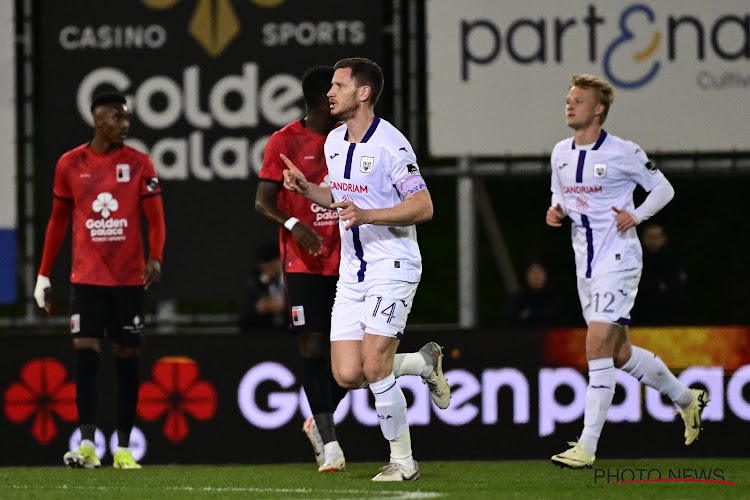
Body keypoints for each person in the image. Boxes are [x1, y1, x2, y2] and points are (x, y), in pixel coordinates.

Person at [281, 57, 450, 481]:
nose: (329, 93)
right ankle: (423, 364)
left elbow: (423, 207)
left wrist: (370, 215)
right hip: (353, 272)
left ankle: (403, 462)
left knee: (374, 367)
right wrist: (308, 190)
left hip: (392, 265)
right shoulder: (335, 142)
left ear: (363, 92)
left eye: (338, 86)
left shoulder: (392, 145)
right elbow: (339, 200)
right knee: (348, 373)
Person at [545, 74, 708, 468]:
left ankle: (586, 446)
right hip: (585, 265)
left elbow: (663, 188)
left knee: (596, 345)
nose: (570, 105)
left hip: (618, 261)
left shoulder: (623, 151)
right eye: (568, 99)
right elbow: (561, 193)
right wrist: (557, 209)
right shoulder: (560, 153)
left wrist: (636, 215)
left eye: (579, 100)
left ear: (599, 109)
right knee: (619, 354)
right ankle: (687, 398)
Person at [34, 91, 166, 469]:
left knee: (126, 358)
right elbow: (58, 223)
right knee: (86, 353)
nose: (124, 124)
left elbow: (156, 219)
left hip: (127, 279)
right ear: (96, 118)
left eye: (126, 118)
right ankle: (88, 444)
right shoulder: (70, 164)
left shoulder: (140, 163)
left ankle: (124, 449)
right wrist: (43, 274)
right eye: (116, 117)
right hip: (87, 278)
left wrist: (155, 258)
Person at [256, 65, 349, 471]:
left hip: (351, 261)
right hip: (304, 263)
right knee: (312, 347)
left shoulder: (351, 137)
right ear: (320, 100)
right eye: (335, 91)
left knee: (357, 362)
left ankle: (318, 419)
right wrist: (296, 224)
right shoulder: (284, 140)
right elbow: (262, 201)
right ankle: (330, 445)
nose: (340, 98)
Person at [632, 223, 686, 325]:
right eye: (650, 237)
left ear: (664, 238)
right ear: (642, 238)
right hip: (640, 314)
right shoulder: (635, 259)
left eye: (657, 237)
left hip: (669, 315)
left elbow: (676, 285)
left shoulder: (673, 259)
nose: (653, 241)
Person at [238, 242, 286, 332]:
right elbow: (243, 318)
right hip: (263, 334)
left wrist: (285, 307)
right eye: (265, 264)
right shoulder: (254, 281)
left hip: (289, 333)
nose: (269, 267)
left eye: (272, 263)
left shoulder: (291, 279)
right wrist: (257, 309)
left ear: (281, 260)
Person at [505, 259, 561, 327]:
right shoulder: (518, 300)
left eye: (539, 271)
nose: (536, 276)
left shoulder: (555, 298)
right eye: (532, 272)